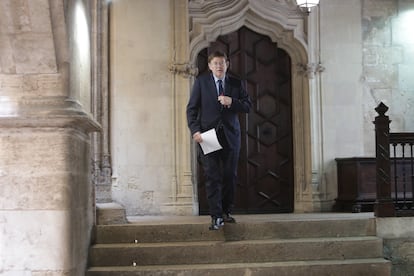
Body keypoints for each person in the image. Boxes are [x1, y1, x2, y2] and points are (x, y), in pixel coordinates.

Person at [186, 51, 251, 230]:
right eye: (215, 63)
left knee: (230, 176)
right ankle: (216, 217)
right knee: (212, 176)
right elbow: (191, 109)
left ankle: (226, 212)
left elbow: (247, 106)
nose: (219, 66)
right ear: (210, 66)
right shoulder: (201, 83)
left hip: (231, 136)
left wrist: (232, 101)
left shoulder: (236, 83)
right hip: (208, 136)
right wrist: (195, 131)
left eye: (222, 63)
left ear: (227, 64)